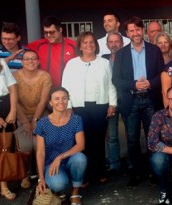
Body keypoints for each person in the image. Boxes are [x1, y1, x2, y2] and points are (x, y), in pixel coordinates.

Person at [112, 16, 165, 187]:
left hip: (151, 98)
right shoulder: (120, 54)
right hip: (131, 99)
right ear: (127, 33)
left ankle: (154, 170)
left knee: (153, 137)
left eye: (138, 29)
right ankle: (137, 172)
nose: (135, 33)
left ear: (143, 30)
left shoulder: (154, 50)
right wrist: (134, 84)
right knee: (133, 138)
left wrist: (151, 82)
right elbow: (116, 80)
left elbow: (161, 75)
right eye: (132, 30)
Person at [61, 31, 117, 185]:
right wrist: (68, 106)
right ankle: (83, 175)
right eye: (85, 42)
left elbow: (110, 84)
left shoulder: (104, 63)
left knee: (98, 141)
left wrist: (112, 103)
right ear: (79, 45)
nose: (88, 45)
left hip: (100, 105)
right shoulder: (72, 63)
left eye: (91, 42)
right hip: (78, 107)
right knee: (81, 141)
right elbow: (65, 86)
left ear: (96, 45)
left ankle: (99, 172)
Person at [35, 87, 86, 205]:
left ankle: (75, 191)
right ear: (50, 102)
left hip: (69, 159)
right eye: (56, 99)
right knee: (58, 184)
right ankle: (58, 189)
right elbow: (40, 152)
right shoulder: (42, 123)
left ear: (68, 100)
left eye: (64, 98)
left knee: (81, 158)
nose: (61, 101)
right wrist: (41, 178)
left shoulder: (76, 119)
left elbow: (81, 145)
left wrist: (60, 157)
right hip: (50, 164)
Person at [13, 50, 52, 189]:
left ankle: (43, 175)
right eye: (27, 59)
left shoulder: (45, 76)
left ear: (38, 61)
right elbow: (15, 102)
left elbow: (43, 101)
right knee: (26, 146)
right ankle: (26, 175)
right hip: (21, 115)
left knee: (39, 144)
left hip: (41, 115)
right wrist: (25, 122)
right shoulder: (14, 76)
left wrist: (35, 120)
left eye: (34, 58)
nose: (30, 61)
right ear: (22, 62)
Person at [101, 31, 126, 174]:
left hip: (126, 99)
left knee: (131, 133)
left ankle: (131, 162)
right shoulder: (103, 60)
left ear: (122, 43)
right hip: (110, 101)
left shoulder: (127, 58)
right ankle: (114, 164)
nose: (114, 44)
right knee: (111, 135)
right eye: (111, 42)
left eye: (117, 41)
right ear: (107, 44)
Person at [28, 16, 76, 87]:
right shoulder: (37, 45)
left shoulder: (73, 45)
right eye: (46, 32)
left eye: (52, 32)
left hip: (66, 88)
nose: (48, 35)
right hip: (44, 89)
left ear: (60, 30)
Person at [0, 58, 18, 201]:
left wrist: (12, 111)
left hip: (5, 106)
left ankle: (4, 185)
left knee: (4, 148)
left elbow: (12, 88)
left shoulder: (1, 62)